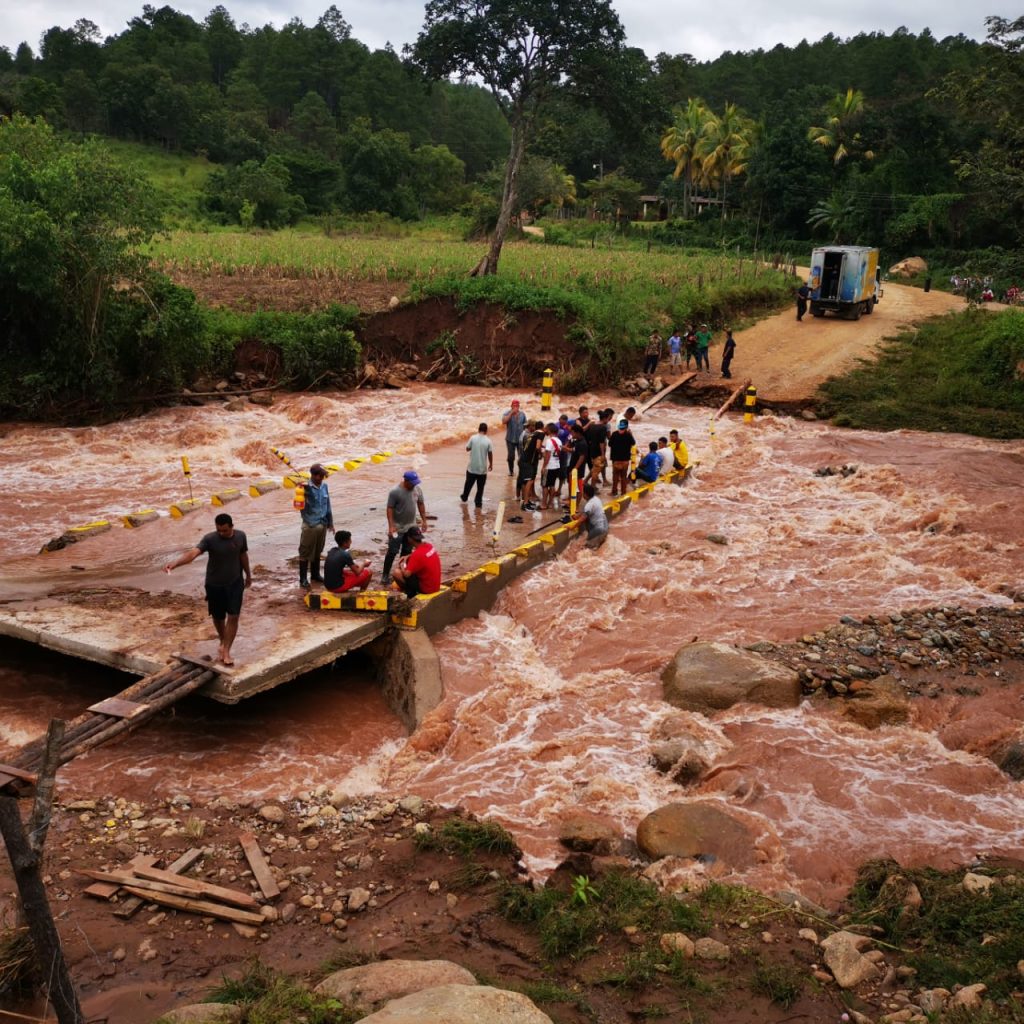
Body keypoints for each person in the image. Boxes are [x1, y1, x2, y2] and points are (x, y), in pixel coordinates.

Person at [164, 513, 251, 667]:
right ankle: (223, 640)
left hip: (235, 583)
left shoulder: (240, 536)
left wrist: (248, 575)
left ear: (232, 526)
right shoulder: (210, 539)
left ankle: (226, 650)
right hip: (214, 584)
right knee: (218, 617)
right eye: (219, 530)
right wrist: (175, 563)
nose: (221, 533)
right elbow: (193, 554)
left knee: (233, 617)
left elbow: (243, 555)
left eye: (224, 530)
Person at [381, 470, 428, 585]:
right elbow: (389, 508)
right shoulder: (395, 492)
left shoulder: (417, 489)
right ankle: (385, 575)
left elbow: (421, 504)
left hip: (411, 527)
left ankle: (401, 572)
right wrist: (391, 526)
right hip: (398, 528)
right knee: (392, 551)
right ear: (405, 481)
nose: (414, 485)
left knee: (407, 552)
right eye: (412, 482)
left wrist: (424, 520)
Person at [297, 463, 333, 589]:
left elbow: (328, 505)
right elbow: (298, 504)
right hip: (310, 525)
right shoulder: (305, 487)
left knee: (318, 551)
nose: (322, 478)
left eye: (323, 476)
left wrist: (331, 522)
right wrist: (301, 488)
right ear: (313, 475)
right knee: (305, 551)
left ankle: (315, 574)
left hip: (322, 523)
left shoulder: (324, 486)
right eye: (320, 476)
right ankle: (302, 579)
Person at [390, 525, 441, 597]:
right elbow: (422, 555)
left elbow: (406, 574)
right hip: (436, 586)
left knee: (396, 573)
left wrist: (402, 565)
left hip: (427, 590)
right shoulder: (429, 546)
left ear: (410, 539)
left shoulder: (416, 555)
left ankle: (411, 594)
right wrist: (407, 556)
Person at [460, 422, 493, 508]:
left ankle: (464, 497)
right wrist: (491, 464)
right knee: (480, 487)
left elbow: (467, 448)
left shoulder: (473, 438)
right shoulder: (488, 441)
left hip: (472, 467)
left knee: (468, 484)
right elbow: (490, 453)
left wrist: (473, 447)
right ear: (486, 431)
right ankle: (478, 502)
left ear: (478, 429)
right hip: (482, 469)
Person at [573, 481, 608, 549]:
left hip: (598, 531)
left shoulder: (589, 505)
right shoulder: (596, 499)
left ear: (585, 494)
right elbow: (586, 512)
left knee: (586, 550)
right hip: (605, 528)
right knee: (598, 548)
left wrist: (571, 527)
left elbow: (581, 520)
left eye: (582, 492)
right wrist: (577, 516)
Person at [517, 420, 544, 511]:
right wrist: (541, 454)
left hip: (523, 459)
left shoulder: (531, 434)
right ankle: (525, 503)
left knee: (525, 481)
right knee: (529, 481)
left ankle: (526, 501)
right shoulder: (539, 434)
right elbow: (537, 447)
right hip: (527, 461)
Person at [607, 418, 636, 497]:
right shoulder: (628, 435)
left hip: (616, 460)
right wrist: (631, 434)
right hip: (625, 461)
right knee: (623, 477)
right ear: (626, 427)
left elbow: (609, 444)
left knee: (615, 477)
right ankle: (623, 493)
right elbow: (633, 443)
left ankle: (614, 492)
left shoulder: (614, 434)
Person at [540, 422, 563, 509]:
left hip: (549, 466)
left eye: (546, 429)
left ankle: (544, 504)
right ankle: (550, 503)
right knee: (552, 485)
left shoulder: (549, 441)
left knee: (544, 485)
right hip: (556, 465)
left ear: (549, 430)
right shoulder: (559, 441)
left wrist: (543, 467)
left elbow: (548, 455)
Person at [501, 400, 527, 477]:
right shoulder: (507, 413)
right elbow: (504, 421)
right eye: (514, 406)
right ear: (511, 406)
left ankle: (521, 472)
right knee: (510, 456)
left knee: (521, 456)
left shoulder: (522, 414)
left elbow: (525, 425)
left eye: (517, 406)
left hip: (520, 439)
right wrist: (511, 413)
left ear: (519, 406)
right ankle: (511, 471)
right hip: (510, 439)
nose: (515, 407)